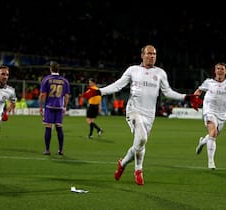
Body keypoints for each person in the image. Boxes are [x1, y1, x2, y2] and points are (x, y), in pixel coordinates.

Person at [82, 45, 202, 185]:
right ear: (142, 55)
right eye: (149, 53)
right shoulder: (133, 70)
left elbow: (168, 92)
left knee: (139, 143)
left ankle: (123, 163)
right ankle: (138, 170)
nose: (152, 56)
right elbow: (118, 85)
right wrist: (98, 91)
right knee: (142, 138)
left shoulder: (160, 73)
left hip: (150, 114)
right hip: (134, 110)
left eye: (154, 54)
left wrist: (187, 97)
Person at [194, 62, 226, 170]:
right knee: (213, 132)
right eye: (218, 69)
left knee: (213, 135)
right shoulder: (209, 82)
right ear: (215, 70)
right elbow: (198, 90)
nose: (220, 71)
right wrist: (194, 99)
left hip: (222, 114)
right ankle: (211, 162)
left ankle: (202, 142)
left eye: (222, 69)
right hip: (209, 110)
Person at [39, 61, 70, 155]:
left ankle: (47, 150)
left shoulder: (46, 79)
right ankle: (60, 150)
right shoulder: (65, 81)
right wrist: (65, 107)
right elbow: (67, 96)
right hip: (59, 107)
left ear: (50, 69)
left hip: (49, 106)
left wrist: (40, 107)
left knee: (48, 127)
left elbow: (42, 95)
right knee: (59, 128)